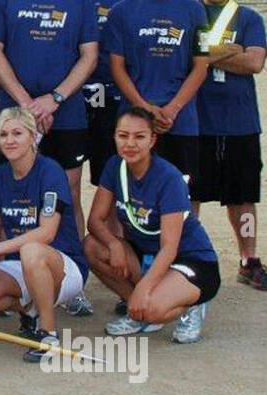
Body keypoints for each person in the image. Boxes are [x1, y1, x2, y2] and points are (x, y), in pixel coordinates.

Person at [0, 0, 98, 314]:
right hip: (15, 115)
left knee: (68, 194)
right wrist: (28, 105)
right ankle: (6, 269)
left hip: (65, 116)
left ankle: (70, 279)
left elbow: (89, 55)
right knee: (6, 195)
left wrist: (56, 98)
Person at [84, 107, 221, 343]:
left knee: (153, 308)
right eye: (123, 136)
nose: (130, 143)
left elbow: (169, 247)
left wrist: (143, 288)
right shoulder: (114, 166)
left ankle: (192, 305)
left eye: (139, 137)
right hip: (148, 255)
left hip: (190, 260)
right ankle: (138, 310)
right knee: (91, 247)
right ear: (115, 137)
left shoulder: (169, 178)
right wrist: (113, 244)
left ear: (152, 140)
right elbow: (95, 220)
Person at [0, 108, 90, 361]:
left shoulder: (50, 170)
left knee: (31, 249)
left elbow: (46, 232)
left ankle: (48, 334)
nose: (9, 140)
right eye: (3, 134)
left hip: (63, 265)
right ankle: (30, 310)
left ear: (33, 137)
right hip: (21, 264)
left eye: (17, 133)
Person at [191, 0, 267, 289]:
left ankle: (248, 259)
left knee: (243, 198)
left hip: (240, 123)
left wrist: (206, 55)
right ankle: (188, 256)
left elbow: (254, 62)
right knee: (188, 197)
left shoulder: (249, 17)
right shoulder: (188, 12)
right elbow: (185, 56)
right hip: (195, 122)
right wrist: (232, 50)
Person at [105, 0, 210, 187]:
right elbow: (117, 69)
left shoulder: (195, 10)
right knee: (134, 197)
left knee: (183, 197)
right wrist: (145, 109)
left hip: (181, 122)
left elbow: (201, 66)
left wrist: (172, 110)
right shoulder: (121, 12)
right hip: (135, 124)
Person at [68, 0, 138, 188]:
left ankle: (107, 232)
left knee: (112, 184)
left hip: (111, 100)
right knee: (67, 184)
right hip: (69, 101)